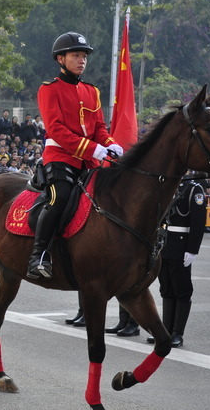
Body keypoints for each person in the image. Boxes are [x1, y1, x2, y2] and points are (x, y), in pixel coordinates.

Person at [27, 32, 124, 279]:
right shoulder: (49, 89)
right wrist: (93, 148)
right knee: (60, 196)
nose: (82, 60)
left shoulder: (92, 91)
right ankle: (38, 255)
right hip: (60, 157)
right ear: (61, 59)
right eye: (76, 55)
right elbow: (56, 129)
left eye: (84, 56)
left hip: (89, 161)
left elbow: (100, 128)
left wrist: (112, 144)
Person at [147, 178, 206, 348]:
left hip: (181, 245)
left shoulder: (194, 189)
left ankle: (178, 333)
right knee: (166, 288)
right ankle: (165, 332)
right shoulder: (167, 183)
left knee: (181, 289)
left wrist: (193, 249)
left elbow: (198, 221)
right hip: (165, 243)